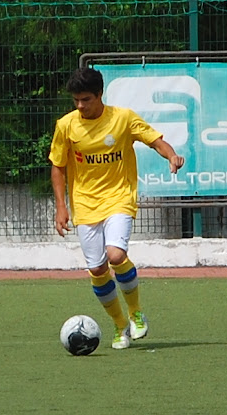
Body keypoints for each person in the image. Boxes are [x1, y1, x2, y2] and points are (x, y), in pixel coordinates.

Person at [49, 67, 185, 350]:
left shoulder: (123, 118)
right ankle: (120, 325)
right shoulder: (66, 125)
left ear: (100, 95)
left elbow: (155, 140)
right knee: (97, 269)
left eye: (86, 99)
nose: (80, 105)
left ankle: (136, 313)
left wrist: (171, 155)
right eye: (76, 100)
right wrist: (61, 206)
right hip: (85, 203)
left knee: (115, 255)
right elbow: (58, 166)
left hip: (119, 197)